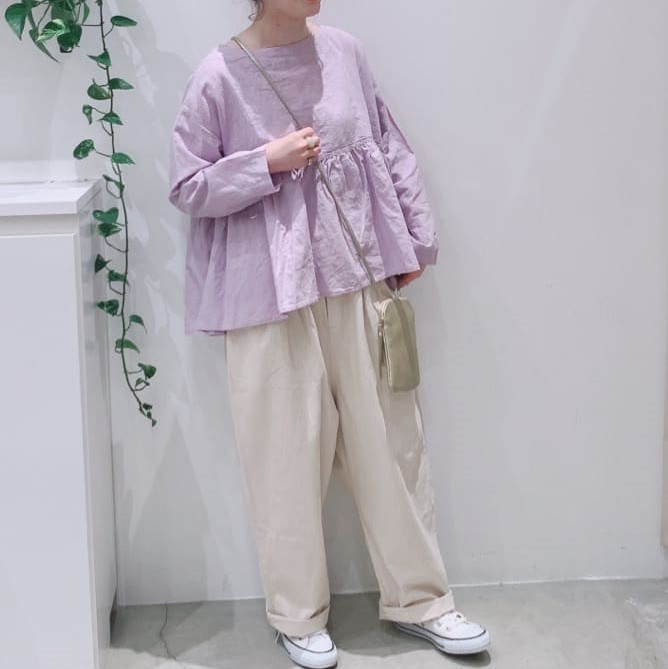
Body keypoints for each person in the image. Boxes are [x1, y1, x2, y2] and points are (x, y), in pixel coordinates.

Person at [168, 1, 491, 667]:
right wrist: (265, 162)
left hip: (357, 274)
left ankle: (423, 601)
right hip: (266, 298)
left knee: (392, 445)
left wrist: (414, 238)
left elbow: (389, 144)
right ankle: (297, 615)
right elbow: (188, 186)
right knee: (283, 459)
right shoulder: (217, 75)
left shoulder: (344, 51)